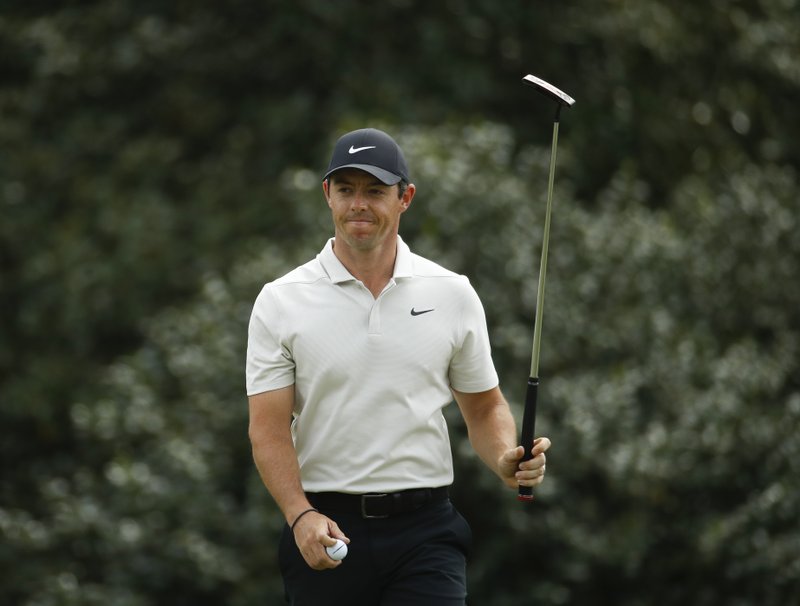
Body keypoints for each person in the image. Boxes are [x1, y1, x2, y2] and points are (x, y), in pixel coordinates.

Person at [246, 127, 551, 605]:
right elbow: (267, 429)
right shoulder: (280, 301)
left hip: (425, 530)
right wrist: (299, 515)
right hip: (326, 528)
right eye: (346, 190)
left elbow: (485, 408)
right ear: (327, 195)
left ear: (405, 197)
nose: (358, 204)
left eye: (375, 191)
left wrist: (505, 461)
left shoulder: (451, 292)